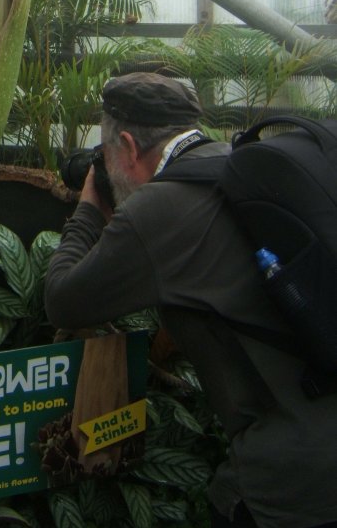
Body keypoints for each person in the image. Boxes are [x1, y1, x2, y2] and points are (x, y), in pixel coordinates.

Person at [45, 71, 337, 528]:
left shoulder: (159, 209)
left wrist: (88, 211)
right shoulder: (240, 164)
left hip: (294, 483)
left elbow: (63, 300)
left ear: (128, 145)